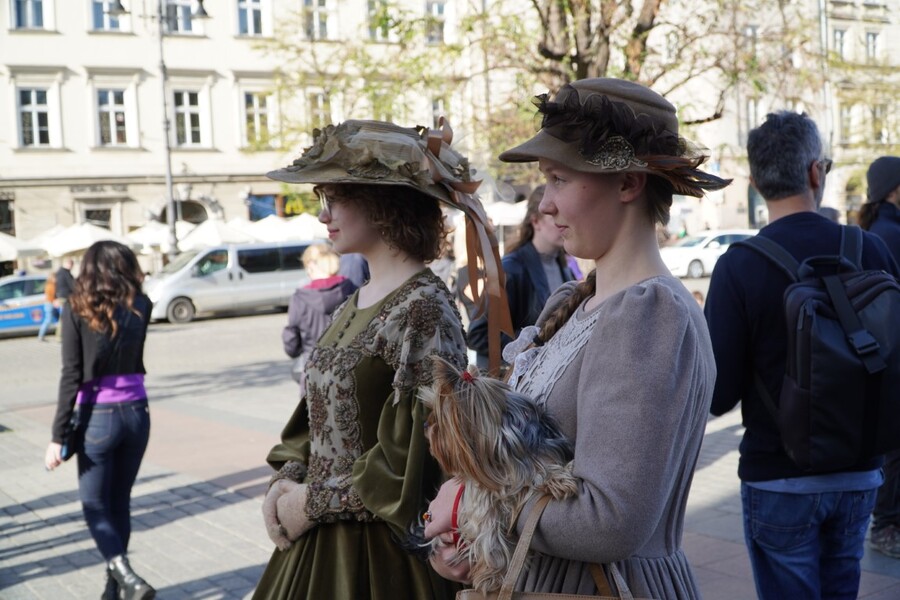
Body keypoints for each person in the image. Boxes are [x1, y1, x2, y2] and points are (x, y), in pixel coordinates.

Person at [425, 78, 729, 598]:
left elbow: (607, 520)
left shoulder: (648, 315)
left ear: (628, 183)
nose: (544, 204)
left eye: (559, 179)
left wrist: (471, 502)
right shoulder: (576, 300)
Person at [253, 118, 502, 600]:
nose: (323, 215)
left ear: (383, 204)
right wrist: (287, 478)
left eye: (335, 199)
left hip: (379, 554)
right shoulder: (355, 300)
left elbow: (419, 455)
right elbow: (318, 413)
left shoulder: (424, 307)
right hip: (316, 542)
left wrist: (311, 503)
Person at [704, 113, 900, 598]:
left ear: (755, 183)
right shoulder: (871, 250)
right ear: (816, 172)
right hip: (860, 470)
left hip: (778, 476)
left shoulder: (738, 266)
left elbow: (719, 395)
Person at [44, 241, 155, 600]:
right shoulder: (142, 304)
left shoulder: (76, 307)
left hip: (98, 418)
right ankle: (114, 589)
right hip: (137, 413)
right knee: (120, 501)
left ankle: (126, 577)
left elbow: (71, 374)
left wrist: (57, 435)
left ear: (88, 269)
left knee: (95, 504)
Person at [467, 184, 576, 370]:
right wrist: (534, 340)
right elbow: (479, 334)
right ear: (535, 221)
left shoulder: (565, 269)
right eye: (554, 214)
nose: (563, 221)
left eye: (567, 213)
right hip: (511, 381)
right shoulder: (511, 268)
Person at [859, 155, 900, 560]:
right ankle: (886, 525)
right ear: (894, 190)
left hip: (879, 356)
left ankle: (887, 521)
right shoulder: (891, 234)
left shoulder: (874, 231)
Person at [282, 243, 356, 398]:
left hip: (313, 371)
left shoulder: (299, 298)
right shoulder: (352, 289)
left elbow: (291, 344)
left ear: (310, 265)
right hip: (348, 371)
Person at [54, 257, 75, 340]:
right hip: (66, 297)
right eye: (71, 264)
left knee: (63, 316)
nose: (72, 267)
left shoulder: (59, 273)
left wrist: (56, 297)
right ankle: (60, 336)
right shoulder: (65, 273)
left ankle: (60, 335)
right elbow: (72, 285)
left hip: (61, 296)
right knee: (65, 317)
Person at [37, 271, 57, 341]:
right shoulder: (51, 286)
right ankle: (41, 335)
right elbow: (51, 296)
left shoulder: (49, 284)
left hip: (49, 303)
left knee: (56, 319)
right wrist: (54, 301)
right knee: (48, 320)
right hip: (50, 304)